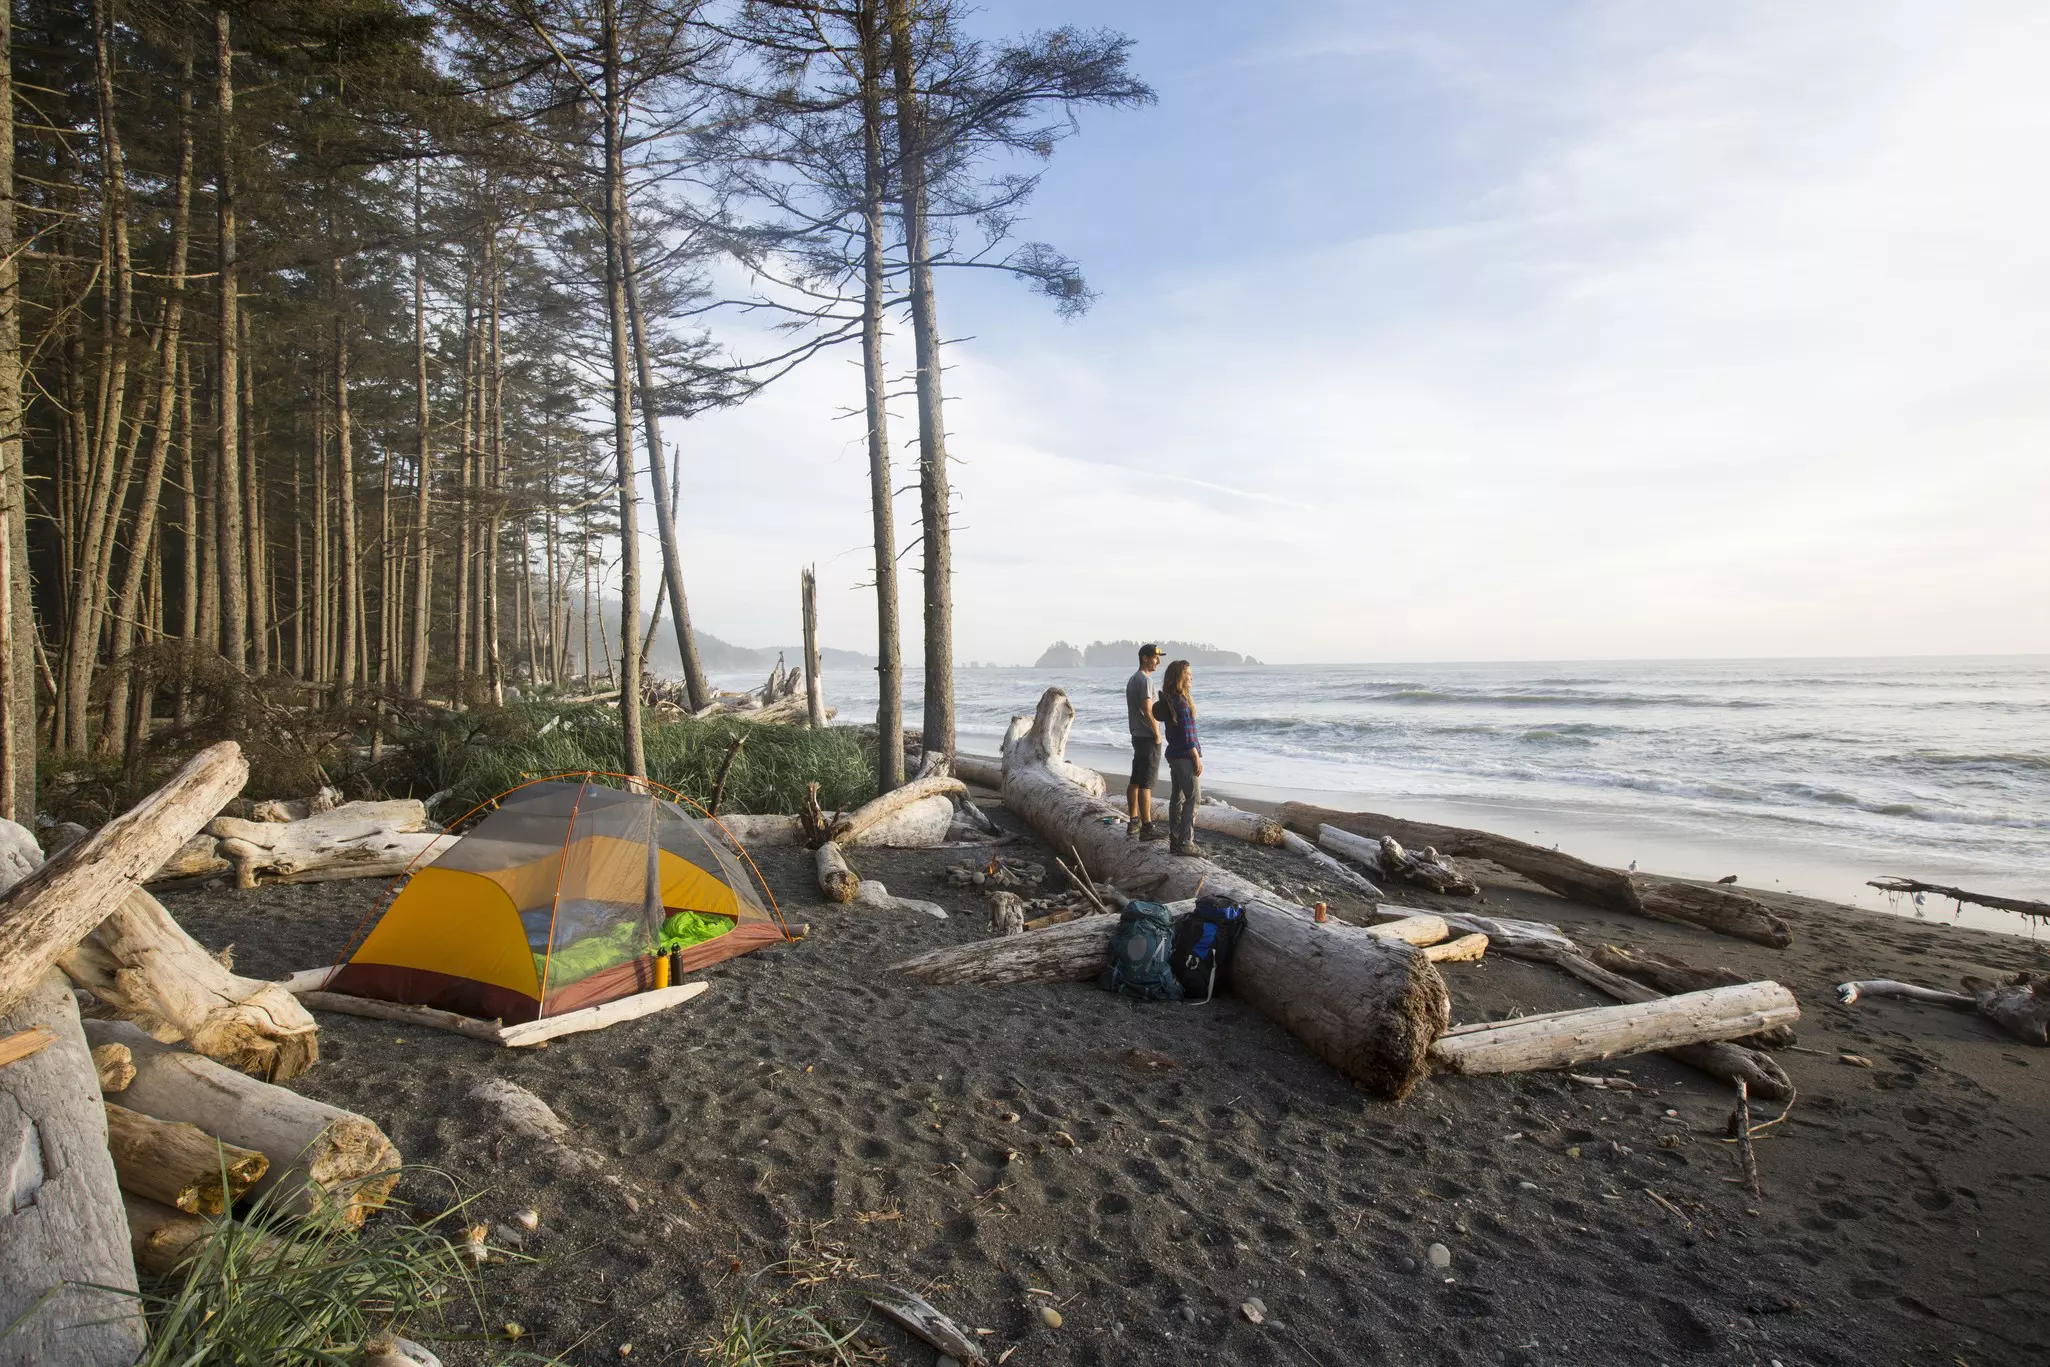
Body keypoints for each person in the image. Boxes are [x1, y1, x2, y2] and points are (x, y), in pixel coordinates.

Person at [1160, 658, 1203, 856]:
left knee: (1177, 797)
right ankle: (1187, 842)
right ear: (1179, 677)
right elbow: (1187, 735)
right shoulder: (1181, 703)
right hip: (1185, 756)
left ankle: (1175, 840)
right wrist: (1196, 757)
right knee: (1193, 797)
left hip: (1174, 755)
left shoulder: (1171, 700)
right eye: (1187, 673)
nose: (1191, 677)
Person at [1125, 644, 1165, 840]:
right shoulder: (1145, 681)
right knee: (1146, 782)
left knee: (1136, 779)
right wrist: (1157, 733)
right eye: (1155, 658)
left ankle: (1133, 820)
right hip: (1147, 737)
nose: (1158, 661)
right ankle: (1147, 827)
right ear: (1144, 658)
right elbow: (1148, 709)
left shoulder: (1133, 679)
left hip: (1137, 735)